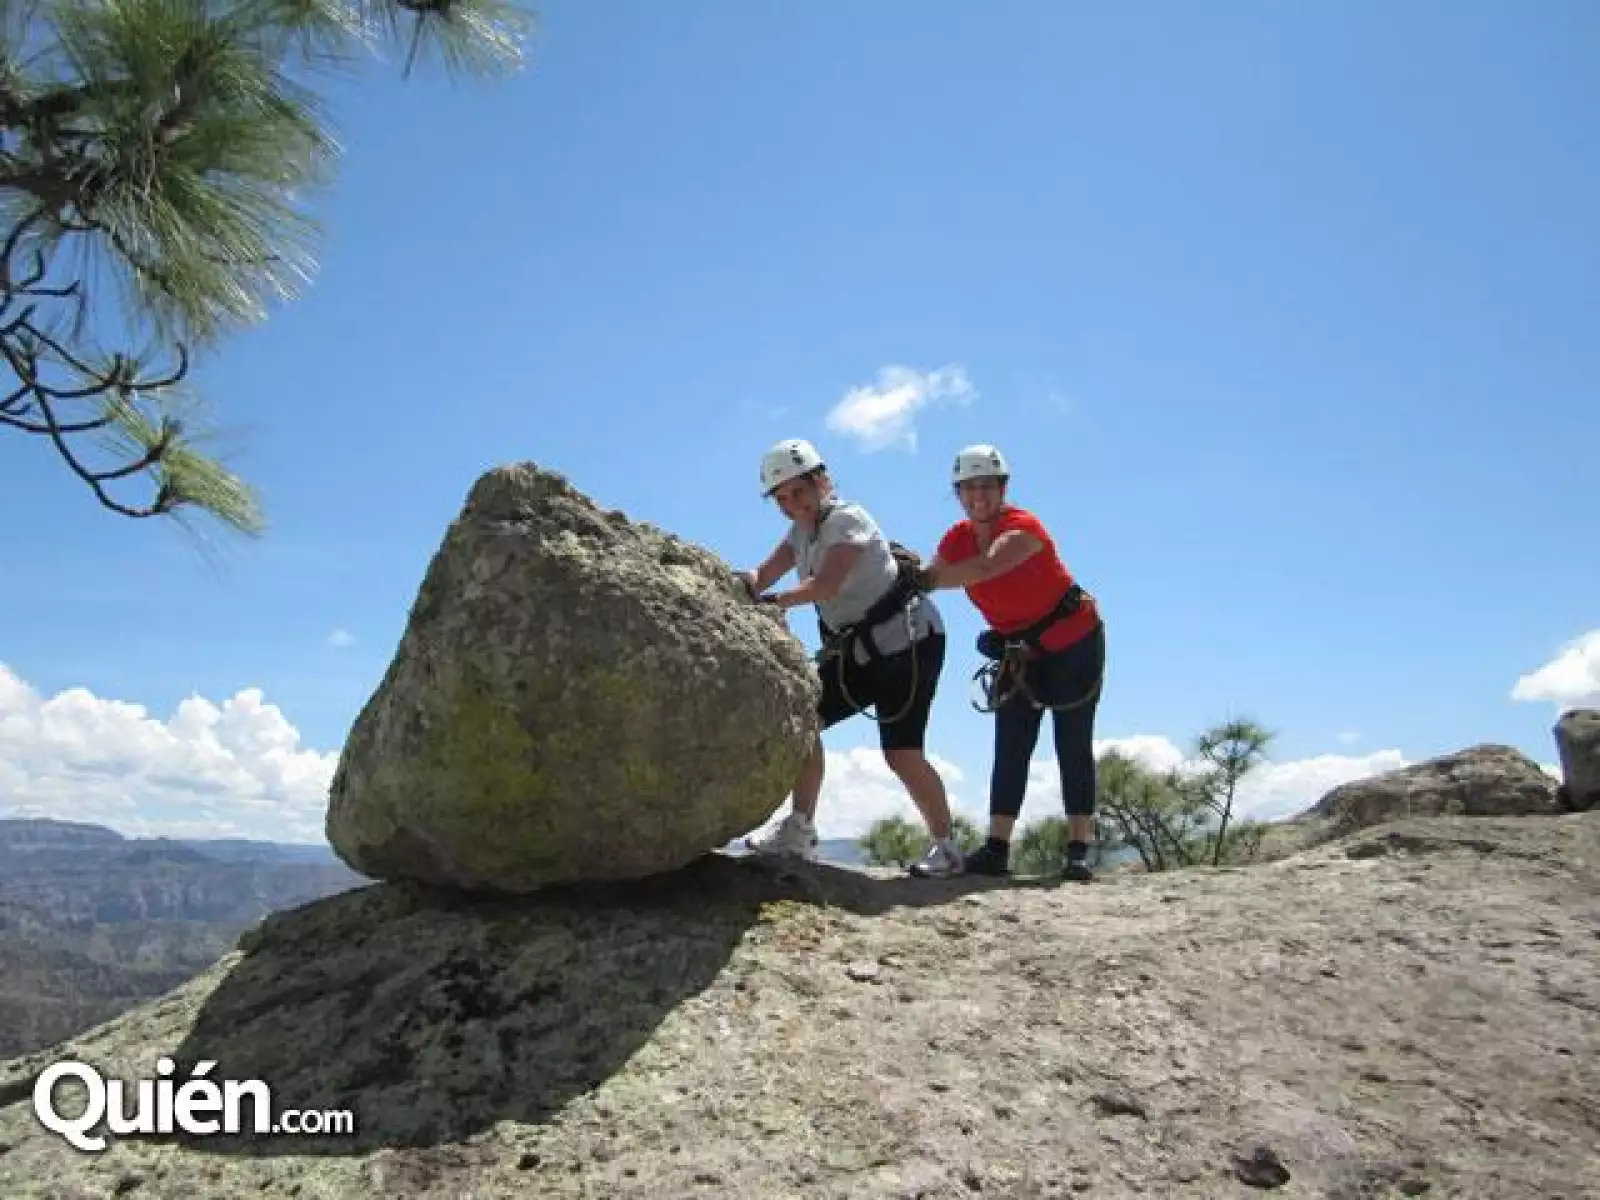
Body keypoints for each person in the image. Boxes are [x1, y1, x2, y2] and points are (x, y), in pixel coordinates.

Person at [740, 437, 965, 879]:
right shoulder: (799, 533)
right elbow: (763, 572)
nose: (792, 505)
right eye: (782, 499)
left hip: (910, 642)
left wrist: (773, 603)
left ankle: (948, 850)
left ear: (821, 480)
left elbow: (826, 585)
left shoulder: (848, 520)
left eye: (798, 492)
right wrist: (739, 583)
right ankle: (799, 830)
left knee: (901, 752)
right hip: (863, 650)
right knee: (803, 717)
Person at [916, 444, 1105, 881]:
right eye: (968, 488)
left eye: (986, 486)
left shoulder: (1024, 528)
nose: (978, 496)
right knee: (1012, 741)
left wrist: (922, 578)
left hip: (1074, 640)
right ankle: (997, 848)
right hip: (1020, 652)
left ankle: (1079, 849)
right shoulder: (956, 537)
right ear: (958, 493)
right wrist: (904, 575)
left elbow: (985, 568)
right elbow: (935, 574)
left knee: (1072, 740)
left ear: (1003, 489)